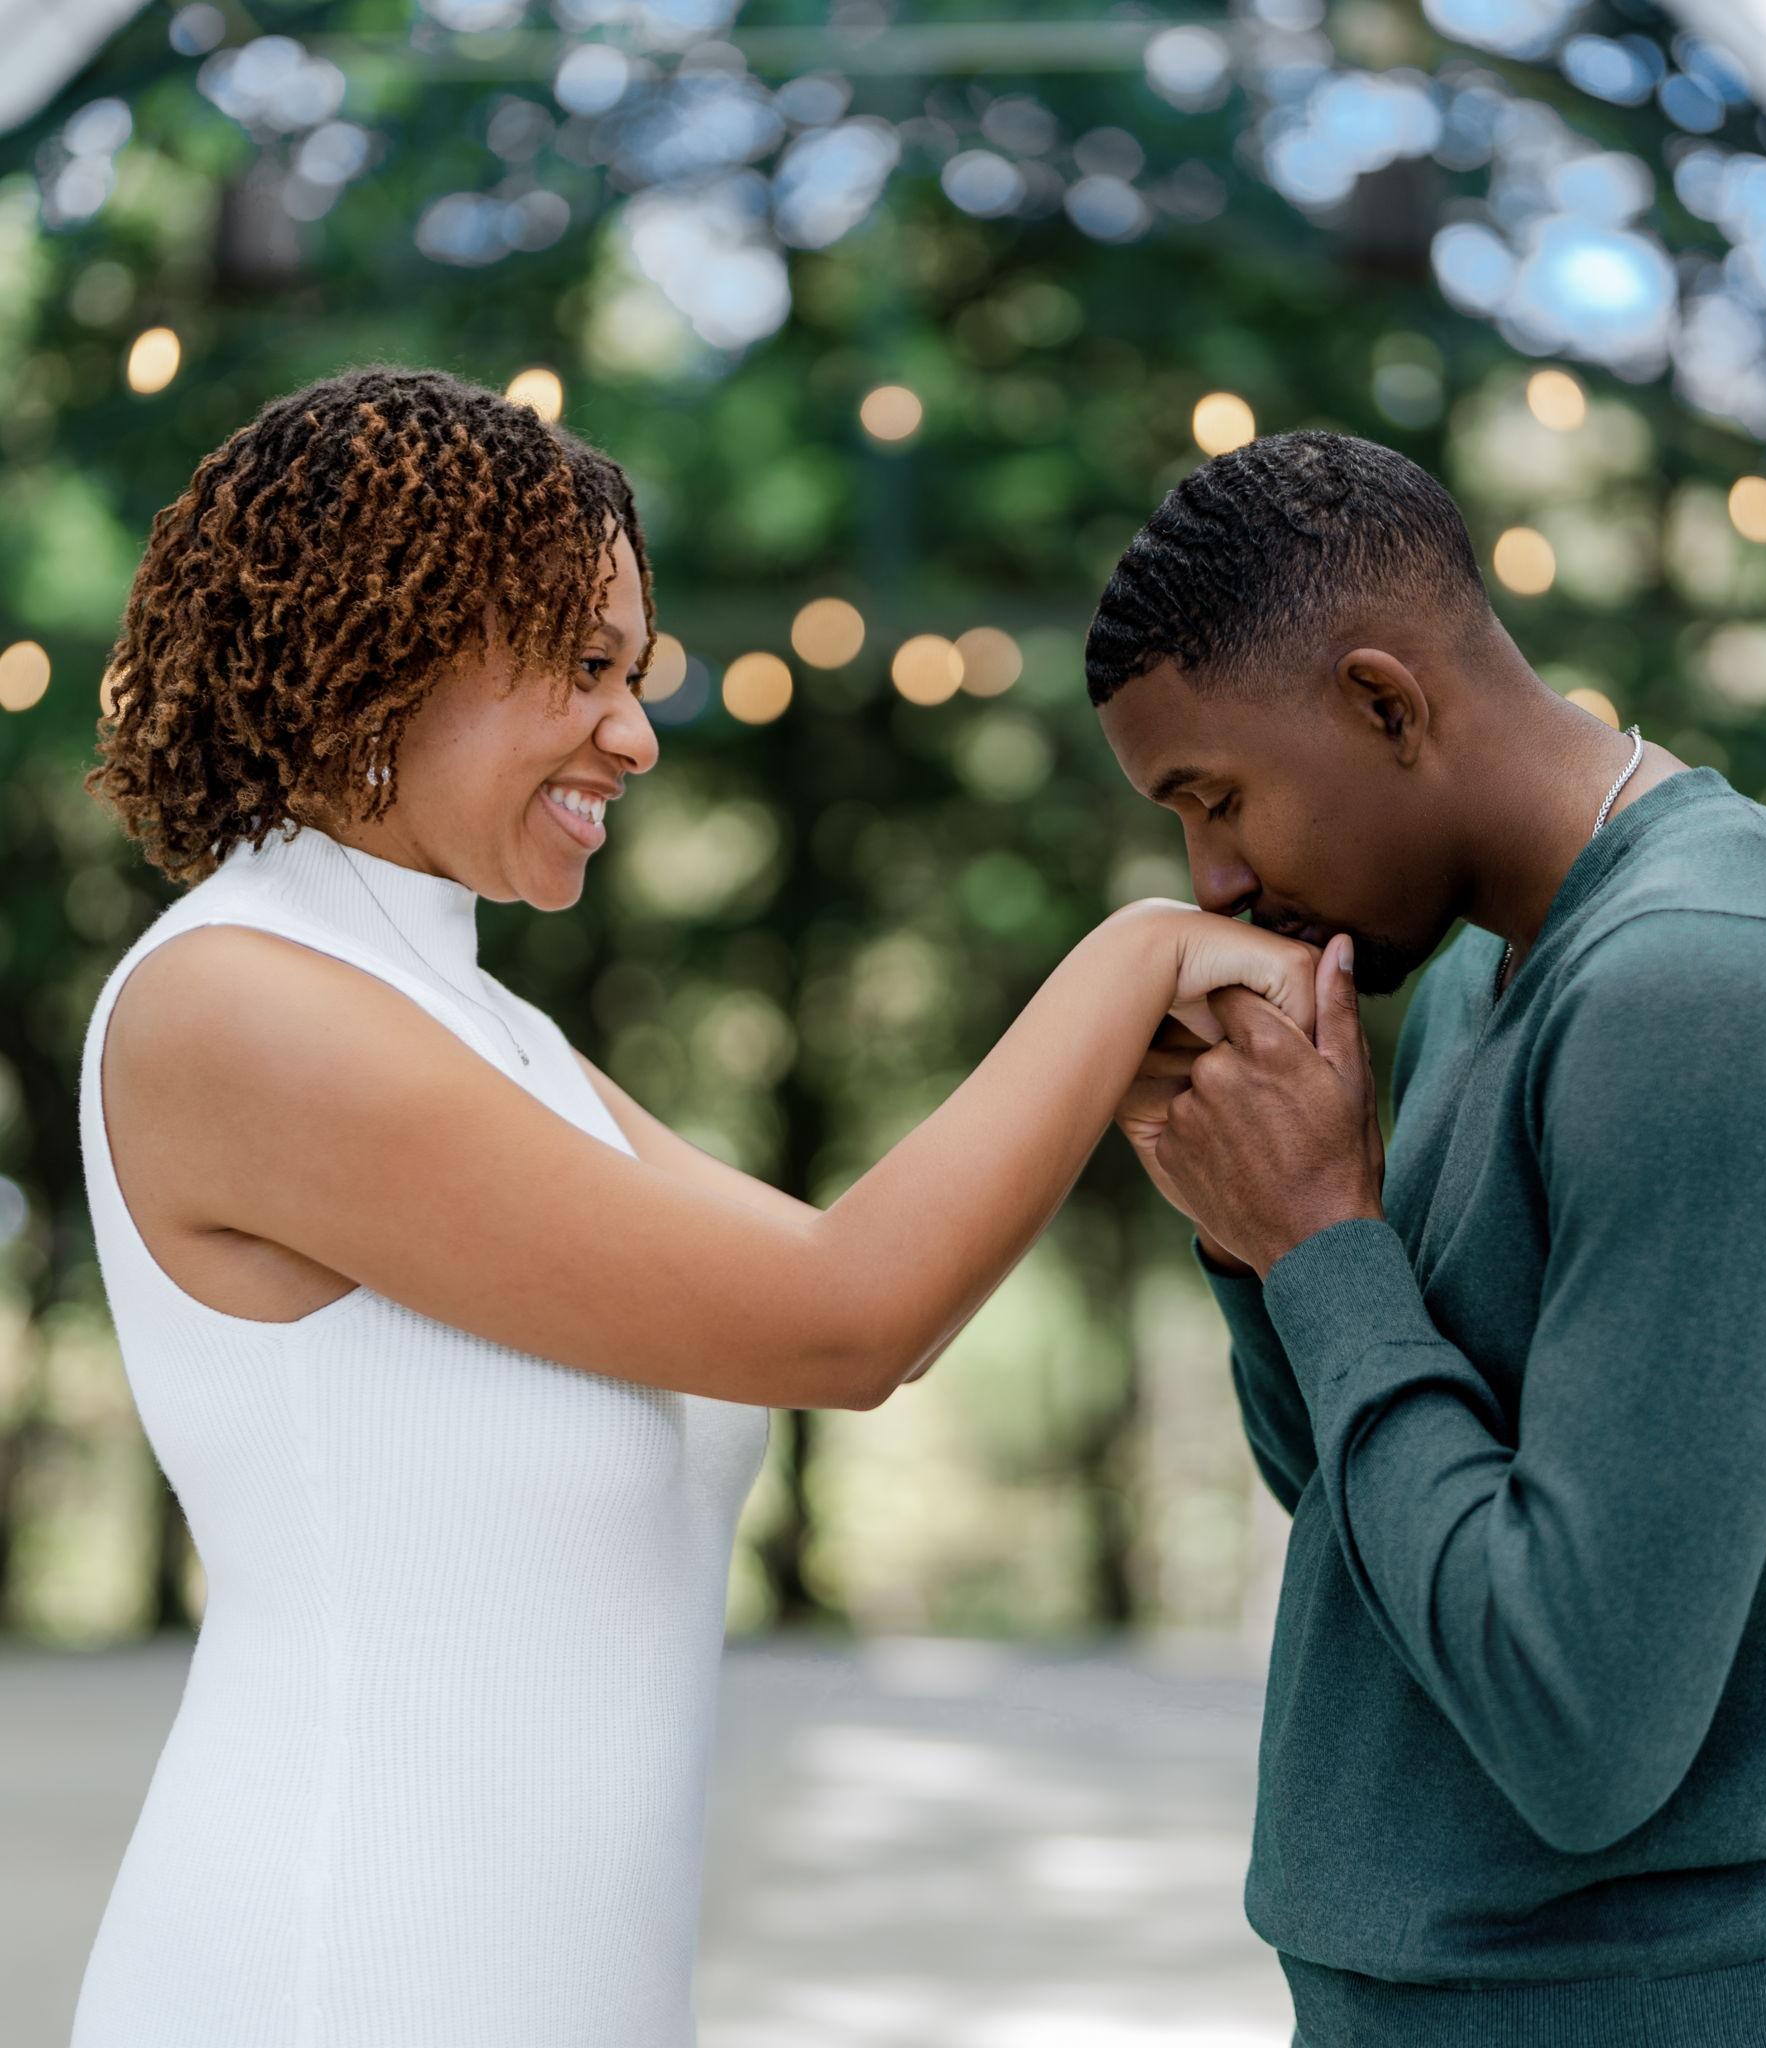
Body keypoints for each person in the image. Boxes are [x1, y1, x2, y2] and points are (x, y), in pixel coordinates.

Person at [67, 366, 1319, 2048]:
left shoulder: (483, 1028)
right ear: (391, 645)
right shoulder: (240, 1005)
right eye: (584, 667)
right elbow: (845, 1322)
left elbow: (839, 1268)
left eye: (636, 674)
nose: (638, 733)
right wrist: (1136, 955)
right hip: (335, 1981)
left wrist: (1134, 1079)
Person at [1091, 429, 1766, 2047]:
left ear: (1383, 703)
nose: (1216, 877)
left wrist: (1323, 1241)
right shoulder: (1482, 975)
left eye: (1218, 799)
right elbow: (1365, 1505)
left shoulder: (1711, 988)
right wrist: (1261, 1236)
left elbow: (1577, 1724)